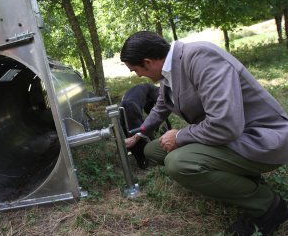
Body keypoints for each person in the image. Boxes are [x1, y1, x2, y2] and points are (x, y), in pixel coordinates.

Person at [120, 31, 288, 235]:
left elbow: (225, 125)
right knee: (153, 150)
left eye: (135, 70)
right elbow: (161, 106)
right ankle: (242, 179)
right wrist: (140, 133)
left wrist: (180, 136)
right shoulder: (169, 70)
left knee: (179, 162)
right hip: (226, 136)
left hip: (259, 139)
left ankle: (268, 206)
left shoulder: (202, 58)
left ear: (148, 62)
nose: (137, 76)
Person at [120, 83, 171, 169]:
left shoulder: (137, 120)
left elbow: (147, 128)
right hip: (132, 105)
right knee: (143, 126)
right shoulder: (125, 117)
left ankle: (166, 127)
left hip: (147, 92)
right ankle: (142, 156)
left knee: (162, 109)